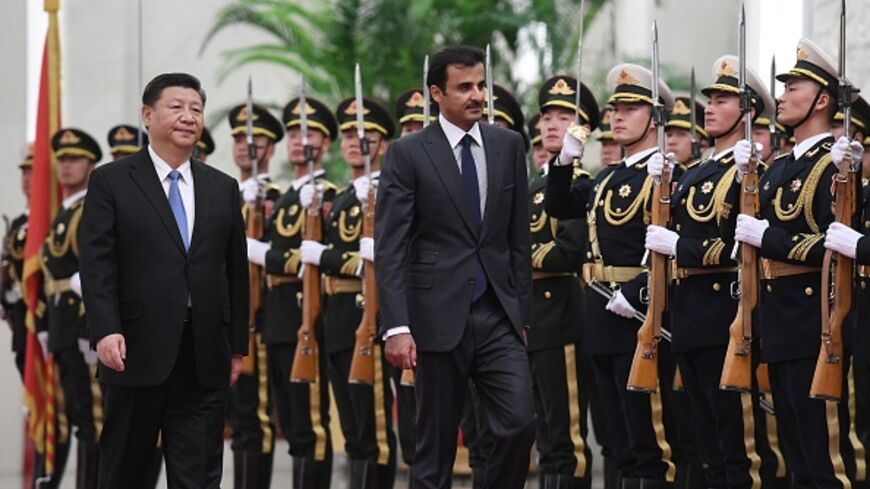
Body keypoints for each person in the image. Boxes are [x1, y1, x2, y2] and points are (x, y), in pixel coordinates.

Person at [375, 45, 536, 489]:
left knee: (520, 424)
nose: (477, 95)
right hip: (434, 316)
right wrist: (397, 325)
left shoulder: (508, 145)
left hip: (498, 315)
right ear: (436, 93)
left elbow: (517, 240)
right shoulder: (408, 153)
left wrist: (522, 315)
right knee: (435, 449)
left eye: (480, 85)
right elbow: (390, 246)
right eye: (464, 87)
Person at [79, 72, 249, 488]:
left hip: (204, 353)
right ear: (147, 115)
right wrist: (105, 329)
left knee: (198, 476)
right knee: (125, 472)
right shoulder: (112, 181)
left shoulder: (222, 188)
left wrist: (237, 347)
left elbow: (235, 271)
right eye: (176, 107)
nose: (188, 117)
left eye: (196, 109)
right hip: (134, 350)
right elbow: (97, 263)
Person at [546, 63, 678, 488]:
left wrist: (639, 292)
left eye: (631, 108)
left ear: (655, 117)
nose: (617, 116)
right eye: (615, 108)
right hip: (600, 315)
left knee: (649, 440)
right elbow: (559, 206)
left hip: (640, 317)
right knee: (616, 439)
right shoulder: (606, 178)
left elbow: (674, 248)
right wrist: (565, 159)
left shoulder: (667, 177)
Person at [647, 55, 774, 488]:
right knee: (706, 445)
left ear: (748, 112)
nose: (711, 107)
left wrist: (679, 247)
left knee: (737, 443)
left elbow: (739, 246)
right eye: (712, 98)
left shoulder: (749, 171)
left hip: (725, 315)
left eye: (724, 100)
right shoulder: (695, 172)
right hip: (687, 316)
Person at [734, 39, 856, 487]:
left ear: (822, 100)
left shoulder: (836, 165)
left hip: (816, 323)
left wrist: (771, 238)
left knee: (826, 460)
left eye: (794, 86)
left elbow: (836, 242)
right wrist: (742, 174)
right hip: (777, 324)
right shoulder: (780, 167)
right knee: (795, 461)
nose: (781, 95)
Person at [245, 94, 338, 489]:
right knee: (290, 424)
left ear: (326, 144)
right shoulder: (282, 199)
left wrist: (265, 254)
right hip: (277, 319)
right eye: (294, 133)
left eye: (310, 132)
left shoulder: (329, 196)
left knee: (309, 426)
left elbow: (306, 259)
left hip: (308, 316)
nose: (300, 140)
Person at [529, 74, 599, 489]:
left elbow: (570, 251)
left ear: (583, 130)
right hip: (530, 318)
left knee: (567, 435)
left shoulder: (582, 184)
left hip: (561, 316)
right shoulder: (533, 185)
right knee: (545, 434)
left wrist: (517, 260)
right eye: (547, 116)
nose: (553, 124)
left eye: (565, 116)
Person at [38, 128, 102, 489]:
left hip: (82, 327)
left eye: (74, 160)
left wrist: (90, 329)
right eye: (61, 160)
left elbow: (95, 272)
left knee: (93, 418)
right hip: (62, 326)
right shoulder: (62, 212)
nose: (66, 167)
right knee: (76, 416)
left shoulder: (89, 209)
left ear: (90, 165)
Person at [229, 101, 285, 489]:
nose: (245, 146)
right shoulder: (220, 192)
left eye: (256, 139)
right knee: (232, 419)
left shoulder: (279, 198)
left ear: (270, 149)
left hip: (258, 319)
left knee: (255, 417)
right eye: (238, 138)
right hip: (223, 319)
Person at [2, 144, 33, 379]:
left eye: (33, 171)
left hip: (48, 319)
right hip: (21, 319)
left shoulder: (55, 218)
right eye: (24, 172)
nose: (27, 178)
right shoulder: (17, 223)